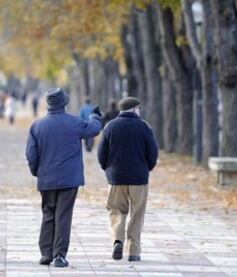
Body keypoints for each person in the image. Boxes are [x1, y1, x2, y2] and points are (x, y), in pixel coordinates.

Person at [26, 88, 102, 268]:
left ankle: (46, 253)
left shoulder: (37, 126)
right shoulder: (74, 122)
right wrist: (95, 116)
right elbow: (94, 130)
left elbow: (31, 155)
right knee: (63, 216)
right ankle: (59, 255)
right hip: (69, 179)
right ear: (64, 104)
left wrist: (37, 172)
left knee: (48, 214)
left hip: (47, 179)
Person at [97, 97, 158, 262]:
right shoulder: (144, 127)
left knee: (116, 210)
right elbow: (153, 153)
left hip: (116, 178)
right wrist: (147, 168)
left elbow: (101, 154)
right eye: (139, 108)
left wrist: (108, 169)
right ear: (135, 109)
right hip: (139, 178)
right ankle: (134, 251)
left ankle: (117, 240)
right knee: (137, 214)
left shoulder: (110, 127)